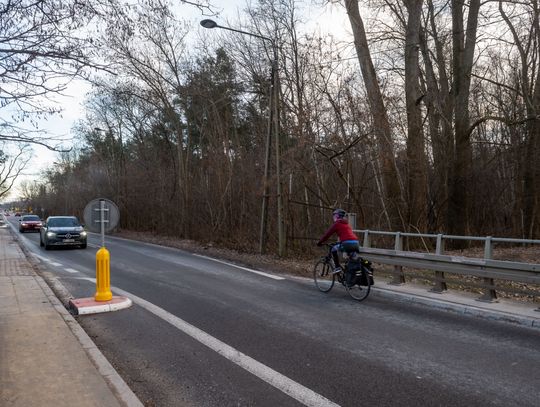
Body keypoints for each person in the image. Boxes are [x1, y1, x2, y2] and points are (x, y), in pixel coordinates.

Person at [317, 209, 360, 274]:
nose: (334, 217)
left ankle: (337, 267)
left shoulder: (337, 224)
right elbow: (347, 236)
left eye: (335, 216)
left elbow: (327, 235)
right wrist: (340, 242)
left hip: (347, 244)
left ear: (337, 216)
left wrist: (320, 242)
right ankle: (349, 275)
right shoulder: (346, 224)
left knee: (333, 249)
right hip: (356, 243)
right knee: (352, 258)